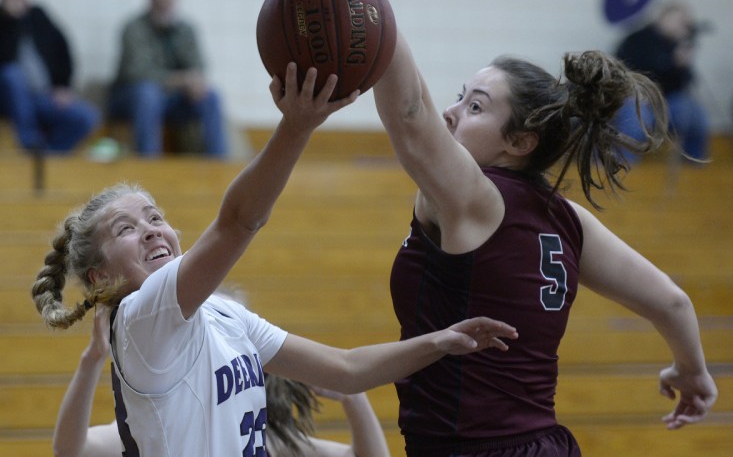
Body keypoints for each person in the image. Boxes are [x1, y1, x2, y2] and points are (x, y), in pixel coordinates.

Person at [277, 0, 719, 457]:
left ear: (520, 143)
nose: (451, 111)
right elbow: (671, 302)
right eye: (462, 95)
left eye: (476, 106)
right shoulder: (568, 219)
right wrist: (692, 371)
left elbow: (411, 116)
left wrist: (367, 1)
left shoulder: (475, 200)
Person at [32, 62, 516, 456]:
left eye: (154, 216)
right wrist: (297, 125)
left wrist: (440, 342)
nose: (152, 229)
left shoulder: (223, 315)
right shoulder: (139, 318)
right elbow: (238, 221)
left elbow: (346, 369)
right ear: (100, 276)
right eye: (126, 228)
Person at [52, 304, 392, 457]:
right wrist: (91, 360)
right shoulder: (156, 423)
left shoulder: (266, 440)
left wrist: (353, 397)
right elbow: (71, 449)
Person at [109, 0, 227, 157]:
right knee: (147, 93)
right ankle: (148, 163)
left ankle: (218, 163)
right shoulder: (134, 28)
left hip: (172, 101)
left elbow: (198, 67)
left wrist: (195, 83)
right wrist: (181, 80)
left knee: (211, 96)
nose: (164, 4)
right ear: (151, 0)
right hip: (131, 98)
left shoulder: (186, 29)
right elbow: (136, 72)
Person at [0, 0, 100, 153]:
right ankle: (29, 141)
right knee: (12, 74)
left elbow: (63, 51)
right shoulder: (3, 20)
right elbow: (5, 58)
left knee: (87, 117)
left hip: (44, 96)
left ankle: (47, 156)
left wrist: (63, 86)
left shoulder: (38, 15)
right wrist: (10, 20)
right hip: (10, 99)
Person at [612, 0, 711, 163]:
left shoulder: (679, 44)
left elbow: (683, 83)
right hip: (638, 98)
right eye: (679, 20)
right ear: (663, 17)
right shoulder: (637, 40)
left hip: (667, 101)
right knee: (635, 121)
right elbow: (626, 71)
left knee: (696, 116)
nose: (682, 26)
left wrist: (682, 65)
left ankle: (694, 167)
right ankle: (624, 165)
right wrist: (670, 62)